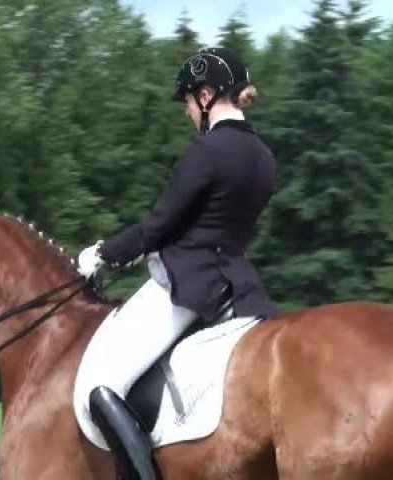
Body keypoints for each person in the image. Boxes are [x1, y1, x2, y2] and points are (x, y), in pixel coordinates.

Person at [74, 47, 278, 480]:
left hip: (189, 285)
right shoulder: (264, 157)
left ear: (206, 96)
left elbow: (159, 226)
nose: (187, 111)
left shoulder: (207, 150)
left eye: (187, 101)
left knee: (100, 386)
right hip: (240, 288)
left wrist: (103, 255)